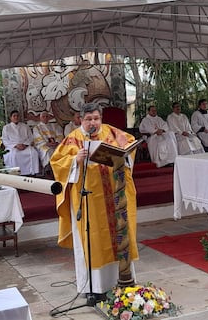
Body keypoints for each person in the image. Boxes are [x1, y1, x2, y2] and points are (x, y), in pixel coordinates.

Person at [50, 103, 139, 299]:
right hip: (89, 199)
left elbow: (129, 144)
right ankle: (94, 287)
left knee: (119, 236)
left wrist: (124, 147)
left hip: (116, 194)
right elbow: (57, 163)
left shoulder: (112, 132)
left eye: (96, 118)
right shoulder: (73, 139)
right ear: (80, 120)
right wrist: (75, 160)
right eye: (89, 119)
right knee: (93, 240)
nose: (93, 123)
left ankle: (123, 279)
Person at [2, 110, 41, 176]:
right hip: (13, 147)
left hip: (25, 145)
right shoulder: (6, 128)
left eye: (17, 116)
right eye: (14, 116)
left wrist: (25, 144)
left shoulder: (25, 126)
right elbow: (5, 140)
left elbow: (31, 137)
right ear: (11, 118)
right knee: (14, 155)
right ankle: (16, 173)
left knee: (33, 153)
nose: (16, 117)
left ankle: (31, 172)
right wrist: (16, 145)